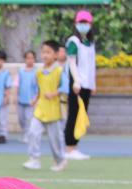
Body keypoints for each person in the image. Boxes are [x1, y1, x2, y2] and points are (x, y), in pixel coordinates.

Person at [23, 41, 67, 172]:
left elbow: (65, 87)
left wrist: (54, 93)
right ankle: (34, 159)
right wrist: (35, 99)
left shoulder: (59, 71)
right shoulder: (39, 72)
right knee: (33, 132)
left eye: (48, 52)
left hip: (54, 110)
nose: (45, 55)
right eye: (43, 52)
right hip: (40, 108)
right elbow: (38, 88)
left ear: (55, 55)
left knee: (55, 139)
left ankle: (60, 160)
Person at [64, 10, 96, 161]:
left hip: (87, 85)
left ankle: (75, 146)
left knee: (81, 116)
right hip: (77, 84)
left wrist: (93, 84)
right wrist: (76, 80)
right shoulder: (73, 41)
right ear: (76, 24)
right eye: (81, 22)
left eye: (86, 23)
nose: (83, 25)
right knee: (73, 115)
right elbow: (71, 62)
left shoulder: (90, 43)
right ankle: (69, 147)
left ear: (90, 24)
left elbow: (91, 66)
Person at [16, 51, 38, 142]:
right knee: (21, 119)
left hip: (31, 100)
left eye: (32, 58)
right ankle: (24, 132)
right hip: (21, 99)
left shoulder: (37, 72)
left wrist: (35, 98)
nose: (30, 60)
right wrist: (16, 96)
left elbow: (38, 86)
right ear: (25, 59)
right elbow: (17, 84)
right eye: (28, 58)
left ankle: (27, 135)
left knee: (28, 119)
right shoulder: (21, 71)